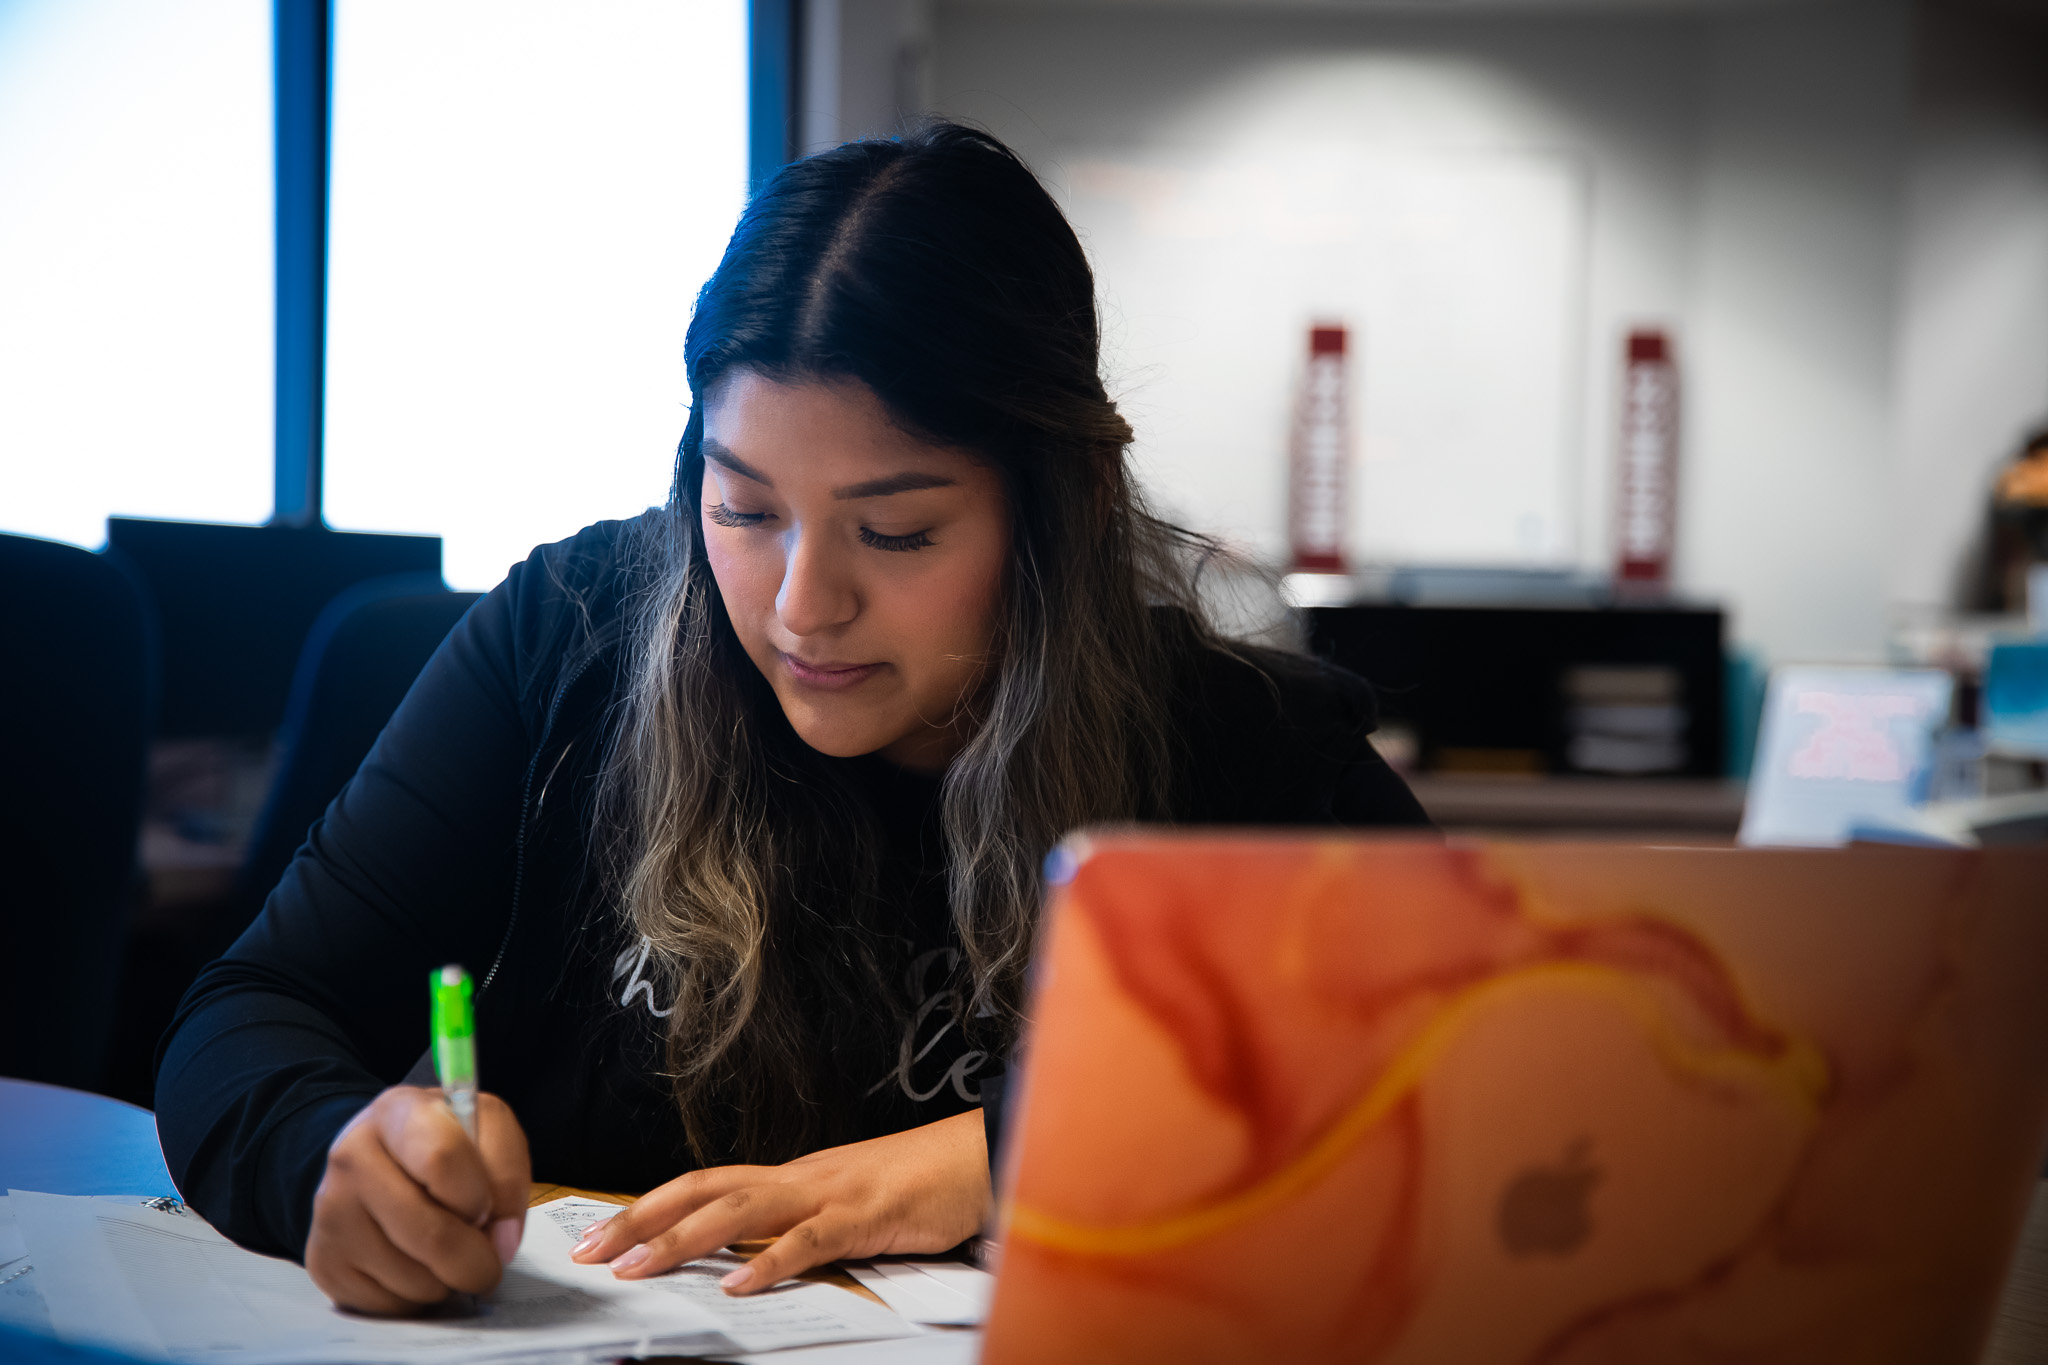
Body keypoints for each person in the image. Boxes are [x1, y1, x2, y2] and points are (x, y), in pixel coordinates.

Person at [154, 122, 1429, 1316]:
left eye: (896, 530)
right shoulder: (570, 637)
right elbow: (252, 1009)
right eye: (745, 508)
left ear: (1069, 503)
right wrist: (332, 1157)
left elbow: (1480, 1075)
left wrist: (1008, 1152)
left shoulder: (1236, 743)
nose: (803, 606)